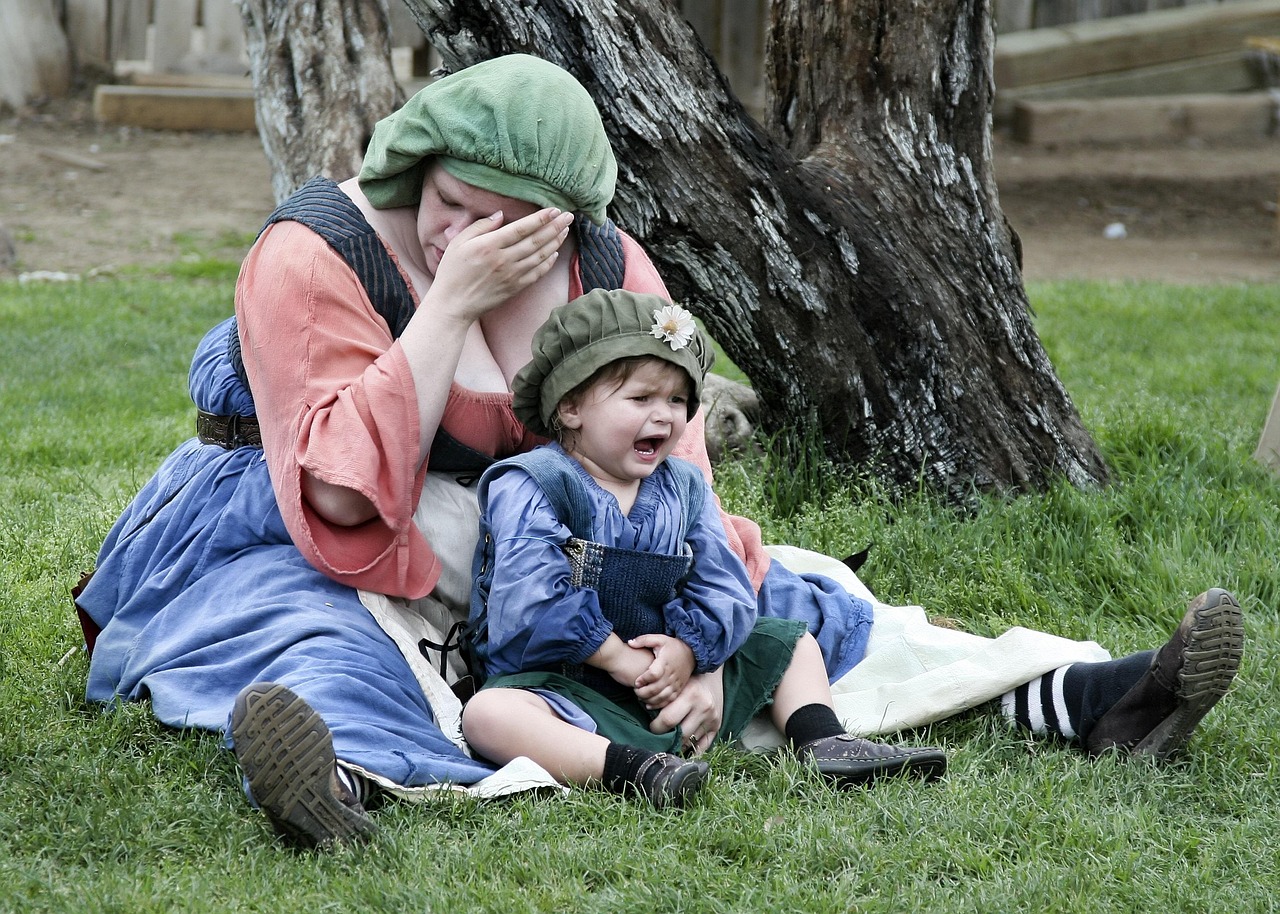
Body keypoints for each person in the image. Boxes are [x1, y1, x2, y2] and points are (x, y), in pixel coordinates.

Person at [72, 53, 1243, 851]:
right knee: (313, 639)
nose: (462, 234)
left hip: (558, 529)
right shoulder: (314, 255)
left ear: (567, 220)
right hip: (332, 535)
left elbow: (672, 457)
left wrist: (687, 634)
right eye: (448, 198)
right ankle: (329, 785)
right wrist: (446, 308)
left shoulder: (607, 267)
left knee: (795, 603)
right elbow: (334, 484)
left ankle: (1093, 695)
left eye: (504, 222)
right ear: (414, 159)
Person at [460, 289, 947, 806]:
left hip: (670, 683)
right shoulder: (534, 483)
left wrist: (692, 654)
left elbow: (726, 584)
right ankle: (632, 770)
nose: (664, 416)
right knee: (489, 717)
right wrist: (619, 659)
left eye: (676, 400)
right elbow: (529, 597)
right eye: (641, 398)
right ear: (573, 406)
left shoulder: (683, 487)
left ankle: (824, 741)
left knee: (790, 641)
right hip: (564, 684)